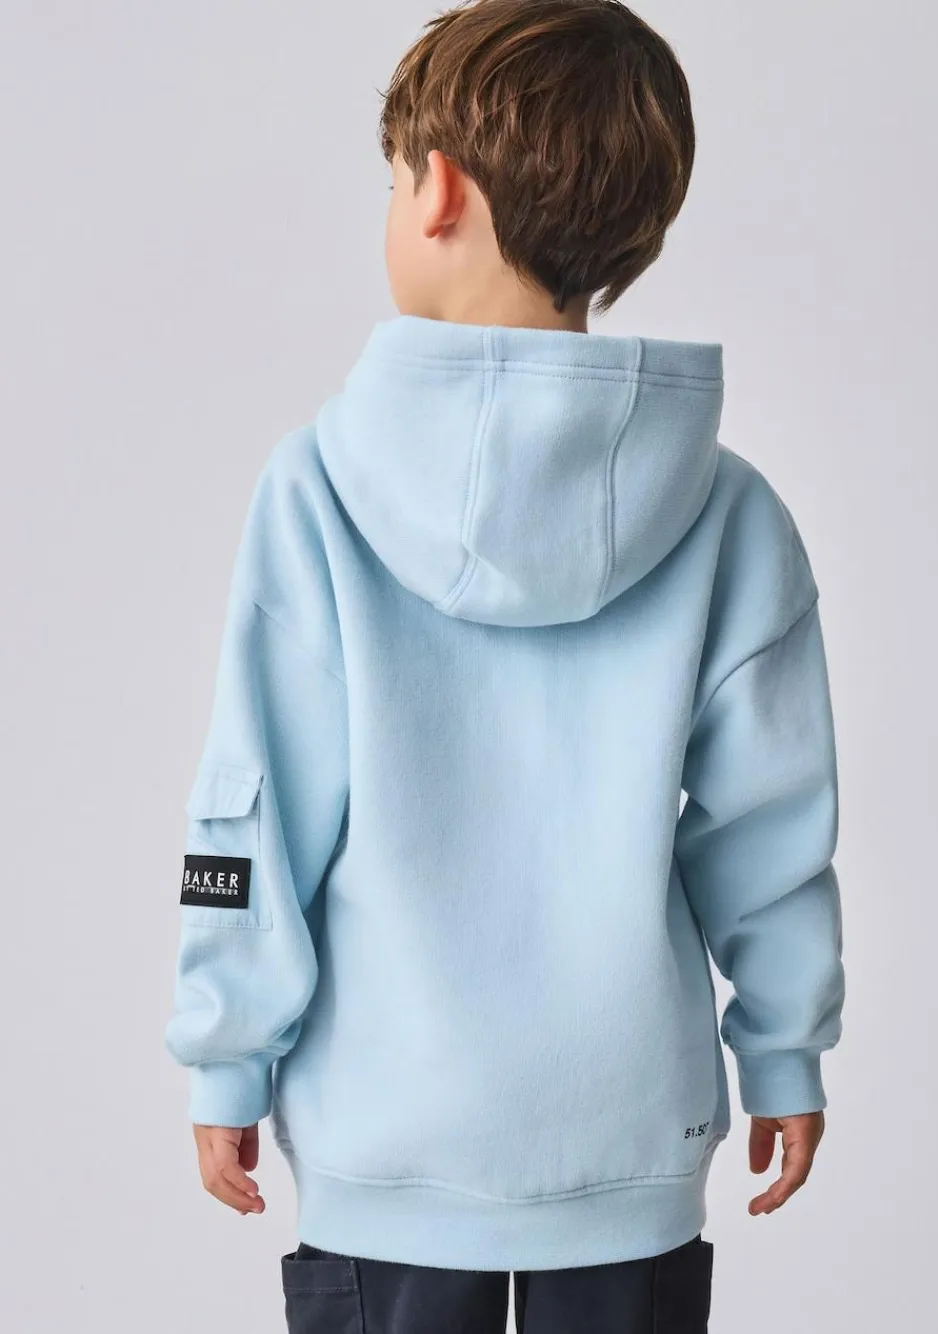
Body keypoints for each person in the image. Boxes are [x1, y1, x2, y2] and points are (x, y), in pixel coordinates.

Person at [163, 2, 846, 1330]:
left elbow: (245, 812)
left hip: (386, 1143)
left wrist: (224, 1048)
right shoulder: (730, 514)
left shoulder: (312, 493)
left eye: (393, 178)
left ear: (439, 192)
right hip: (627, 1144)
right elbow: (772, 828)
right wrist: (783, 1045)